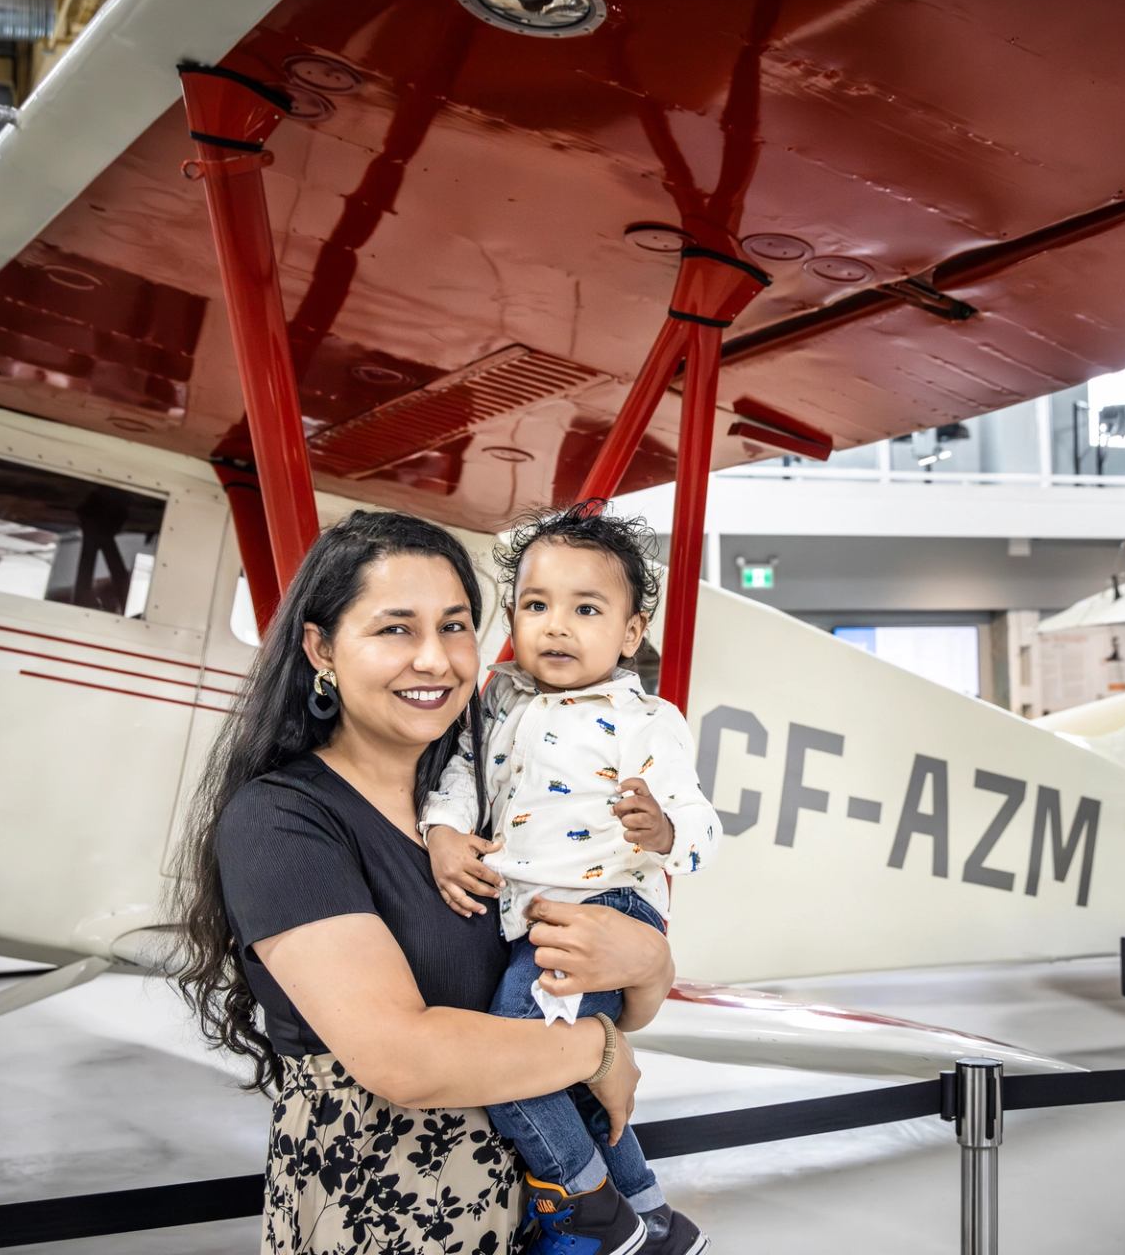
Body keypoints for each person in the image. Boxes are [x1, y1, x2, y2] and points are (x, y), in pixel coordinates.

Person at [169, 510, 676, 1255]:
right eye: (396, 629)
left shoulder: (498, 798)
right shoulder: (280, 821)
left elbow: (615, 998)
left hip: (535, 1219)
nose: (436, 660)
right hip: (386, 1218)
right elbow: (403, 1059)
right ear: (322, 649)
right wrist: (596, 1050)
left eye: (456, 626)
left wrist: (650, 964)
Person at [422, 503, 718, 1255]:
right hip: (533, 914)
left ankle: (587, 1204)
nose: (556, 626)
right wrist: (444, 830)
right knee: (570, 1079)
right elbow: (459, 773)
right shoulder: (496, 700)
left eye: (586, 609)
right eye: (536, 605)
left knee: (515, 1057)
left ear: (630, 632)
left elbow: (702, 827)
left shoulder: (645, 718)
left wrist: (664, 828)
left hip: (605, 909)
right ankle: (652, 1216)